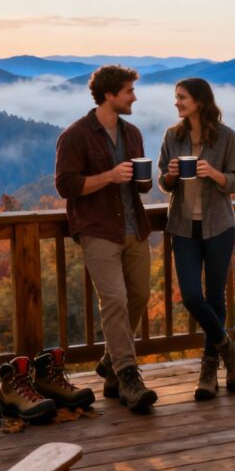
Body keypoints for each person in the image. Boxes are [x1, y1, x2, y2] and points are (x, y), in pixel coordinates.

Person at [55, 65, 157, 413]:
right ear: (110, 95)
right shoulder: (76, 136)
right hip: (98, 230)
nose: (134, 97)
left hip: (135, 228)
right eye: (129, 91)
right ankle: (128, 375)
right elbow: (66, 185)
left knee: (140, 295)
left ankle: (109, 362)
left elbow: (139, 185)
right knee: (114, 299)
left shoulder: (133, 134)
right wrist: (109, 176)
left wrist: (144, 180)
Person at [158, 78, 235, 400]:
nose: (177, 103)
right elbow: (164, 184)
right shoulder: (172, 136)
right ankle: (229, 348)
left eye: (181, 97)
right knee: (192, 296)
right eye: (176, 97)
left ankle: (209, 370)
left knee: (215, 299)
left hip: (219, 226)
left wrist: (214, 174)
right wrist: (168, 175)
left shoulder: (226, 137)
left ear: (198, 101)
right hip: (183, 227)